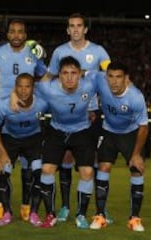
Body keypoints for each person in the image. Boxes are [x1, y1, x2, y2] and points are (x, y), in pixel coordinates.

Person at [0, 19, 47, 221]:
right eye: (12, 32)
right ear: (8, 34)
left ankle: (26, 205)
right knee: (0, 161)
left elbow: (43, 76)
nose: (16, 35)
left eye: (20, 32)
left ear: (25, 35)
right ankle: (0, 205)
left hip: (28, 107)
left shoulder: (34, 53)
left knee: (28, 166)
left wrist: (40, 97)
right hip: (4, 110)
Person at [19, 56, 97, 228]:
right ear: (59, 76)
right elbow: (24, 88)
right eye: (65, 73)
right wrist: (11, 97)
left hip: (81, 130)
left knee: (87, 172)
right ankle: (50, 214)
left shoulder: (90, 85)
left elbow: (110, 79)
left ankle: (81, 215)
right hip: (57, 130)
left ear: (80, 75)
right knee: (47, 170)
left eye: (74, 73)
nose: (69, 77)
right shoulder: (48, 88)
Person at [47, 12, 111, 222]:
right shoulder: (59, 52)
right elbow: (50, 78)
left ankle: (99, 209)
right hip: (66, 114)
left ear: (85, 29)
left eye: (79, 26)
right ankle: (65, 206)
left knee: (92, 162)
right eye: (71, 26)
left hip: (91, 114)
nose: (75, 29)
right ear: (68, 30)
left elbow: (109, 74)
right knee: (65, 158)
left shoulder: (98, 51)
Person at [88, 62, 148, 232]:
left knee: (137, 169)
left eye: (118, 77)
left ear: (126, 79)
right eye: (111, 76)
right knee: (103, 167)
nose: (113, 81)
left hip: (130, 134)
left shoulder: (135, 97)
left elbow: (143, 127)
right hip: (108, 131)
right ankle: (100, 216)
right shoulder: (100, 79)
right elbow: (82, 74)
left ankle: (135, 218)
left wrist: (136, 154)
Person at [0, 73, 48, 226]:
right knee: (2, 173)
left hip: (33, 140)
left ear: (33, 88)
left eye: (27, 86)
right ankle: (7, 212)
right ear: (15, 88)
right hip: (10, 140)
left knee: (38, 173)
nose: (23, 90)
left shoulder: (41, 104)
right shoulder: (4, 105)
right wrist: (1, 153)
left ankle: (33, 213)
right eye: (20, 86)